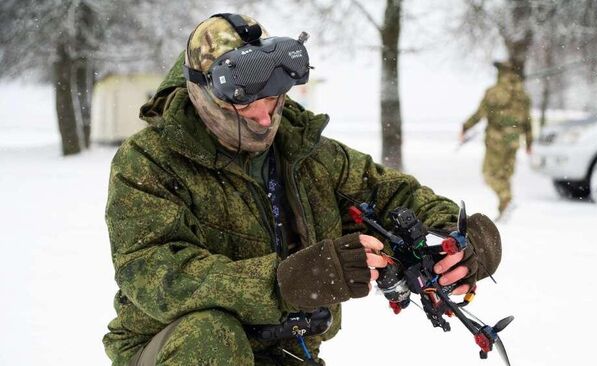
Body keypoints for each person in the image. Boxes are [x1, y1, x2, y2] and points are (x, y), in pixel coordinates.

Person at [103, 13, 503, 366]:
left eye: (274, 97)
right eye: (245, 105)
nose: (264, 116)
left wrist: (461, 239)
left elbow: (392, 194)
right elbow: (154, 274)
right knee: (211, 335)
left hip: (286, 349)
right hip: (172, 348)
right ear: (202, 95)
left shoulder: (304, 151)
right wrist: (287, 281)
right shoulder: (147, 160)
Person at [460, 61, 533, 220]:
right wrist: (529, 142)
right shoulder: (523, 95)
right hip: (514, 139)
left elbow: (479, 114)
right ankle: (504, 208)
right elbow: (528, 121)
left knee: (489, 174)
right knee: (505, 175)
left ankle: (506, 199)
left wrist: (465, 127)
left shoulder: (493, 92)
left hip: (496, 140)